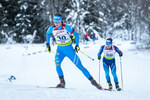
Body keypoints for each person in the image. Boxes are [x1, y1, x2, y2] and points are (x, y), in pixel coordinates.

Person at [46, 12, 102, 89]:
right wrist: (48, 44)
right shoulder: (52, 28)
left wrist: (77, 45)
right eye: (54, 22)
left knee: (80, 67)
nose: (56, 24)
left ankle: (94, 83)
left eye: (57, 22)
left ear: (61, 21)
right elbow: (47, 33)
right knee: (57, 64)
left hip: (69, 50)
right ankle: (62, 82)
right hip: (60, 50)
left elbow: (76, 34)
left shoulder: (67, 27)